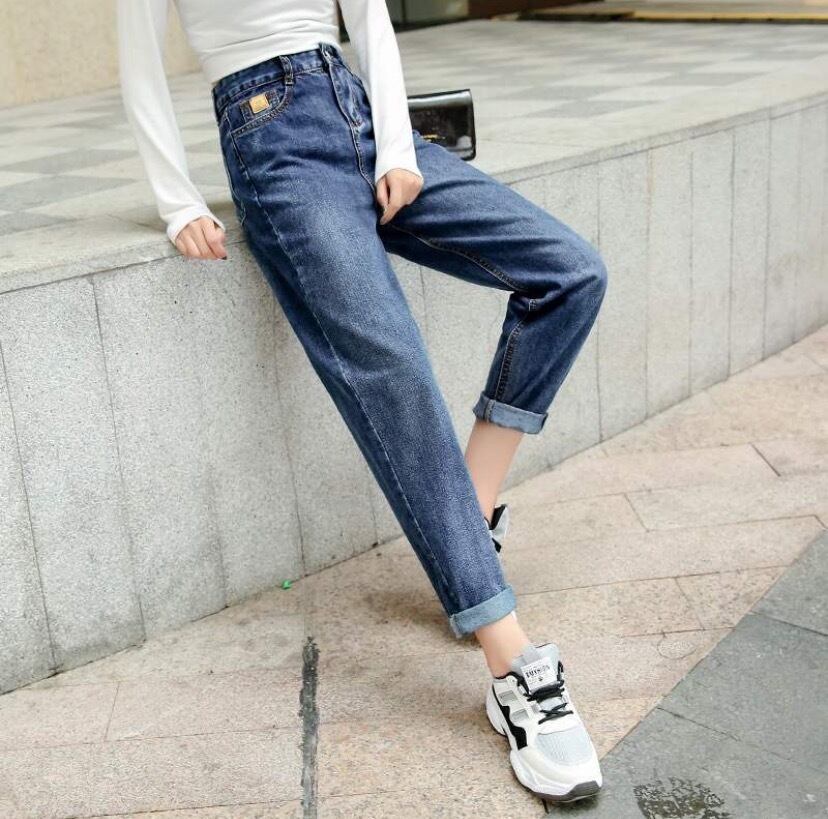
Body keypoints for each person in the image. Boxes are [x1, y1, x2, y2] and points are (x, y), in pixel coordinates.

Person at [117, 0, 608, 803]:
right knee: (392, 367)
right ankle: (514, 666)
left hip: (359, 110)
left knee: (570, 272)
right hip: (272, 141)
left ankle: (472, 515)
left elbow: (370, 15)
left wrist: (395, 144)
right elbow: (138, 61)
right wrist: (179, 202)